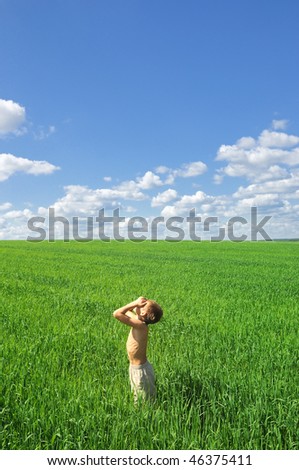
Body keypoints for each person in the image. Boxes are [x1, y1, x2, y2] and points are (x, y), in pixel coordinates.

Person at [112, 296, 163, 402]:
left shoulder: (140, 325)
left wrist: (135, 303)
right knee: (138, 396)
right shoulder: (138, 321)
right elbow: (126, 312)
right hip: (135, 368)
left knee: (144, 401)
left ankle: (147, 417)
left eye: (143, 305)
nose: (139, 304)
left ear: (144, 313)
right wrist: (137, 305)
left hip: (141, 371)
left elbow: (117, 314)